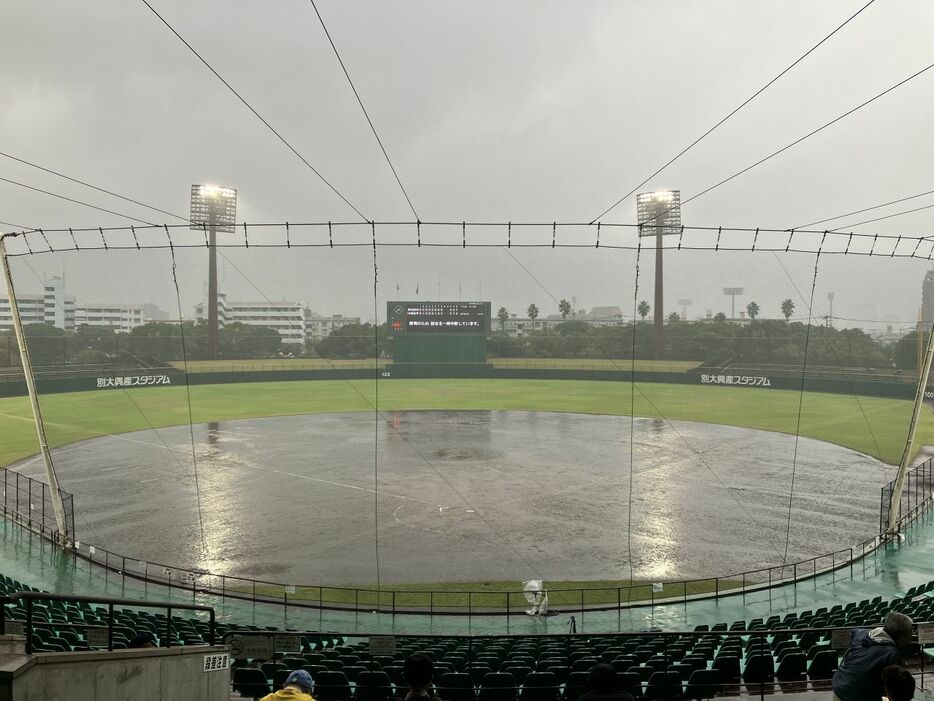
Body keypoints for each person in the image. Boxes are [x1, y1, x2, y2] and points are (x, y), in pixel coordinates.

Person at [832, 612, 913, 701]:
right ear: (901, 636)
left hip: (839, 686)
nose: (911, 639)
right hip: (854, 696)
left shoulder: (863, 634)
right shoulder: (892, 654)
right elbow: (895, 693)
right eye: (910, 633)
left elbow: (854, 632)